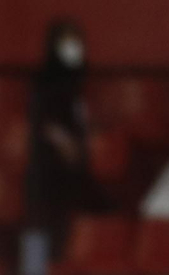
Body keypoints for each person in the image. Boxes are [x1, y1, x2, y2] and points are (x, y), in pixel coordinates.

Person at [25, 18, 100, 256]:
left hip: (73, 171)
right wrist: (65, 143)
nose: (73, 47)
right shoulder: (46, 79)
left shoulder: (80, 80)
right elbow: (43, 120)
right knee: (51, 228)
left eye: (75, 41)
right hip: (49, 170)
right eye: (67, 42)